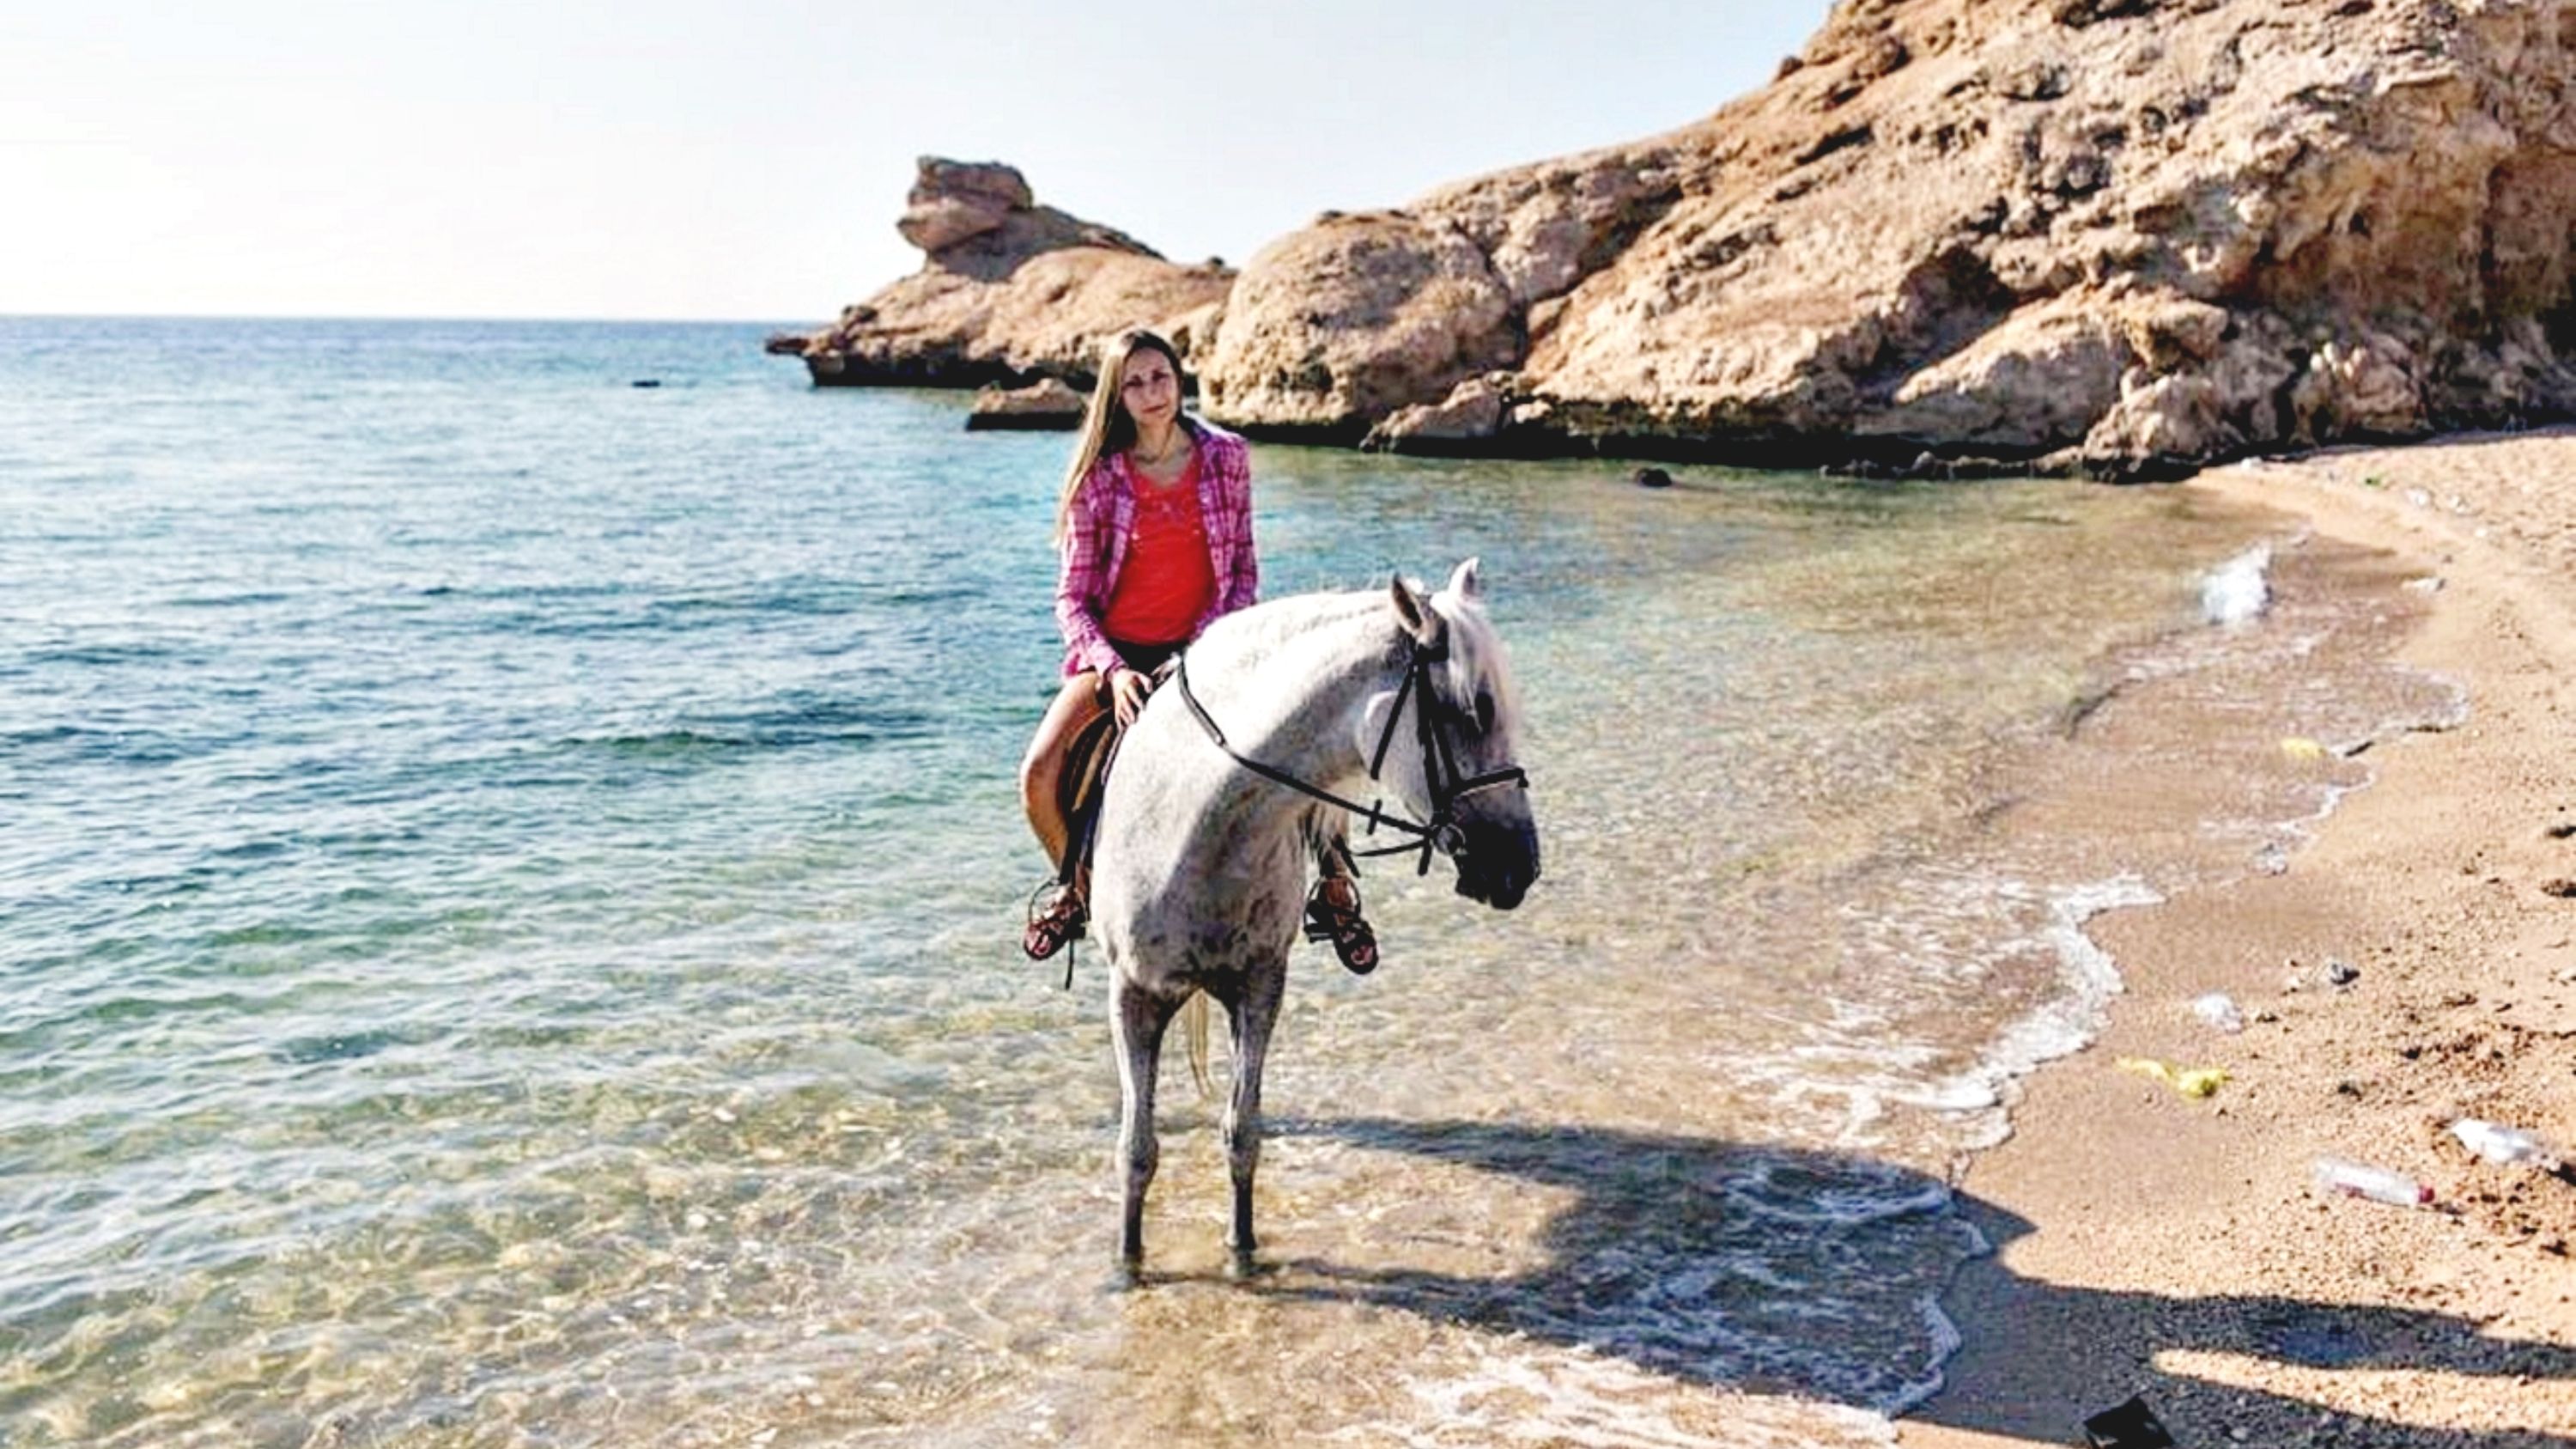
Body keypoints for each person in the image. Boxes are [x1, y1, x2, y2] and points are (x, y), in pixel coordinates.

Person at [1018, 327, 1376, 972]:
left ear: (1180, 378)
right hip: (1117, 657)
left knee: (1311, 735)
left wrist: (1199, 652)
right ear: (1116, 396)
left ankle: (1335, 888)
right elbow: (1071, 600)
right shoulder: (1098, 480)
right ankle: (1077, 891)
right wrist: (1115, 669)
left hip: (1211, 645)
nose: (1152, 393)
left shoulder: (1225, 456)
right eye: (1135, 383)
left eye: (1161, 377)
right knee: (1039, 773)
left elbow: (1241, 572)